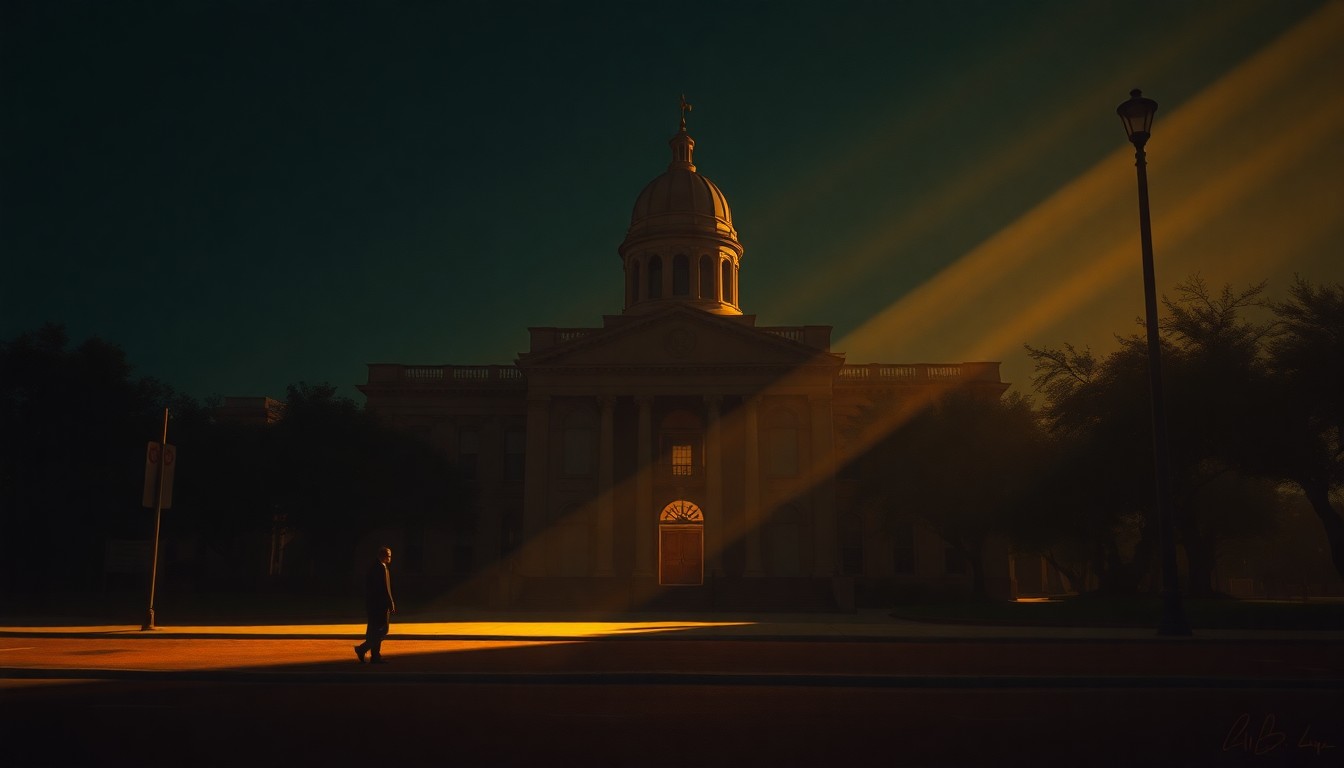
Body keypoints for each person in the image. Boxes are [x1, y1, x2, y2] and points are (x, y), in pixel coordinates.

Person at [354, 546, 395, 664]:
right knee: (383, 630)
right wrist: (390, 602)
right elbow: (384, 588)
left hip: (373, 605)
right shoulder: (380, 568)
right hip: (380, 605)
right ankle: (362, 649)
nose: (390, 557)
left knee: (374, 631)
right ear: (383, 555)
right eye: (388, 555)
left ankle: (375, 656)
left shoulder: (375, 567)